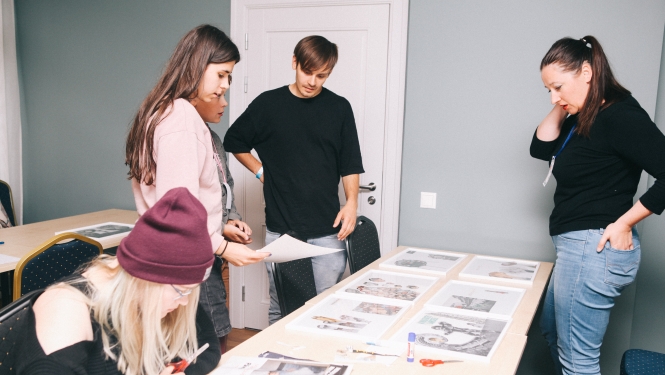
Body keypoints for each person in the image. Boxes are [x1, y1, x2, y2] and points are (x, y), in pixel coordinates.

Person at [125, 25, 270, 351]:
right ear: (196, 66)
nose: (225, 86)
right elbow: (178, 208)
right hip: (187, 264)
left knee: (178, 355)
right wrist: (221, 247)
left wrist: (220, 230)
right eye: (221, 74)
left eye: (229, 77)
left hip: (167, 260)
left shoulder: (162, 112)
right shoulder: (180, 119)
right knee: (207, 353)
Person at [530, 36, 665, 375]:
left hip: (594, 247)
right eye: (548, 89)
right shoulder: (585, 114)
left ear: (587, 72)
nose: (553, 96)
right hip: (577, 248)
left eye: (558, 86)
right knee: (553, 331)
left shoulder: (619, 115)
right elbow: (541, 148)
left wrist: (624, 223)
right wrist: (561, 100)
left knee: (579, 361)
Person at [224, 35, 364, 324]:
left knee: (325, 309)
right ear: (294, 63)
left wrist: (351, 202)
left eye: (321, 75)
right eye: (307, 71)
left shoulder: (339, 108)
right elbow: (233, 140)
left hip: (329, 231)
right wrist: (262, 171)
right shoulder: (268, 104)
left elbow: (350, 163)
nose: (312, 81)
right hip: (282, 229)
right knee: (282, 307)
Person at [11, 187, 220, 375]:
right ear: (146, 277)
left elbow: (207, 345)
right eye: (182, 291)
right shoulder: (66, 311)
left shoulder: (169, 295)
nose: (184, 301)